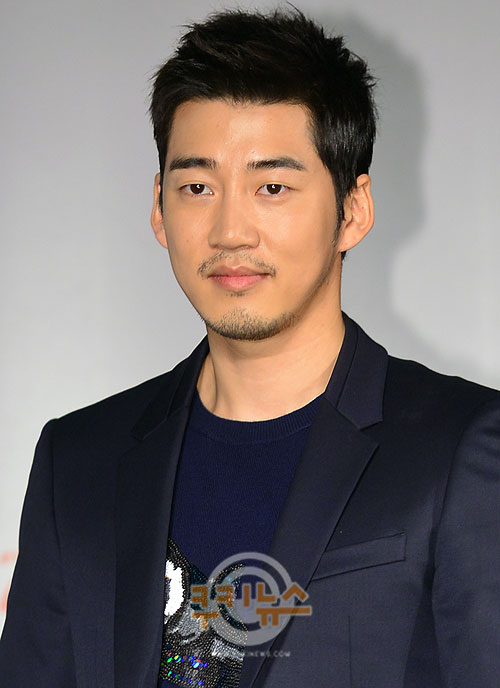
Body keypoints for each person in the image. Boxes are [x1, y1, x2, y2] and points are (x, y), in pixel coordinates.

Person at [1, 7, 500, 688]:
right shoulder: (79, 462)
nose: (230, 230)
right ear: (159, 207)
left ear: (353, 210)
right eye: (198, 187)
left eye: (272, 187)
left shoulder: (460, 448)